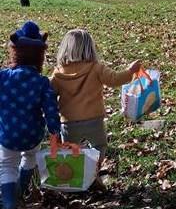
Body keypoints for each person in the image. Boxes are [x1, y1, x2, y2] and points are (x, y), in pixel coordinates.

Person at [51, 29, 140, 170]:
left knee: (69, 151)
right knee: (99, 147)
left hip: (69, 123)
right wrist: (131, 71)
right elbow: (114, 79)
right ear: (90, 48)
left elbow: (49, 93)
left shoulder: (58, 74)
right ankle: (93, 172)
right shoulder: (96, 68)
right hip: (94, 120)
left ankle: (75, 176)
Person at [0, 21, 61, 209]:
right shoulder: (42, 82)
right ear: (40, 57)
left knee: (7, 164)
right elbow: (51, 109)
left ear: (15, 52)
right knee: (30, 157)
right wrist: (54, 130)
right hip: (32, 133)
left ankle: (9, 200)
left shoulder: (3, 77)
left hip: (7, 133)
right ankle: (22, 188)